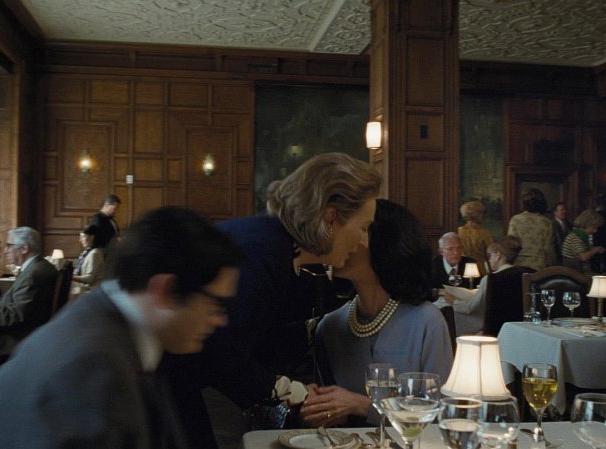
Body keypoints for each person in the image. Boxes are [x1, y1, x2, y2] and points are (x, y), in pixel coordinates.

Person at [0, 207, 242, 449]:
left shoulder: (111, 326)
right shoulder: (92, 374)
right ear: (164, 290)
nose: (221, 320)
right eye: (217, 304)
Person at [159, 152, 382, 449]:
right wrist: (292, 391)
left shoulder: (277, 248)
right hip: (159, 386)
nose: (364, 241)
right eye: (363, 227)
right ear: (331, 218)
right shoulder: (262, 251)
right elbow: (223, 356)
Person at [300, 199, 453, 427]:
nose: (333, 241)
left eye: (352, 230)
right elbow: (327, 420)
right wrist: (317, 407)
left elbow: (440, 416)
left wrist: (362, 406)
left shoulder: (427, 321)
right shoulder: (330, 326)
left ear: (383, 243)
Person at [0, 226, 57, 360]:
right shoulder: (40, 266)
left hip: (17, 339)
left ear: (24, 249)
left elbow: (13, 317)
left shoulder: (33, 274)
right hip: (34, 333)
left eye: (9, 245)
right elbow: (24, 307)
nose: (5, 250)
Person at [439, 236, 525, 335]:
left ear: (497, 255)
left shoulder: (491, 279)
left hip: (495, 330)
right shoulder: (528, 274)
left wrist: (451, 299)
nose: (489, 260)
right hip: (520, 328)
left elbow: (469, 308)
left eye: (489, 256)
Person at [507, 188, 555, 270]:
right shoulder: (546, 222)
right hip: (539, 264)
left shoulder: (516, 220)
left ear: (523, 203)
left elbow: (511, 244)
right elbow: (548, 249)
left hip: (519, 263)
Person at [562, 210, 606, 275]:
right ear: (586, 224)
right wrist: (596, 249)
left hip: (583, 271)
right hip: (577, 274)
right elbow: (583, 257)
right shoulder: (574, 237)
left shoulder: (582, 236)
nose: (595, 231)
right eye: (593, 228)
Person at [457, 200, 493, 276]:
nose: (483, 216)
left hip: (462, 268)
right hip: (480, 269)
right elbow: (490, 253)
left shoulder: (458, 231)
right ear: (475, 215)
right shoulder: (484, 233)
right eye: (481, 213)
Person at [71, 224, 105, 298]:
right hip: (84, 290)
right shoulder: (86, 252)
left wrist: (70, 277)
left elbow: (89, 279)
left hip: (90, 292)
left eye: (82, 237)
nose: (80, 240)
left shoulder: (94, 254)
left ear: (92, 237)